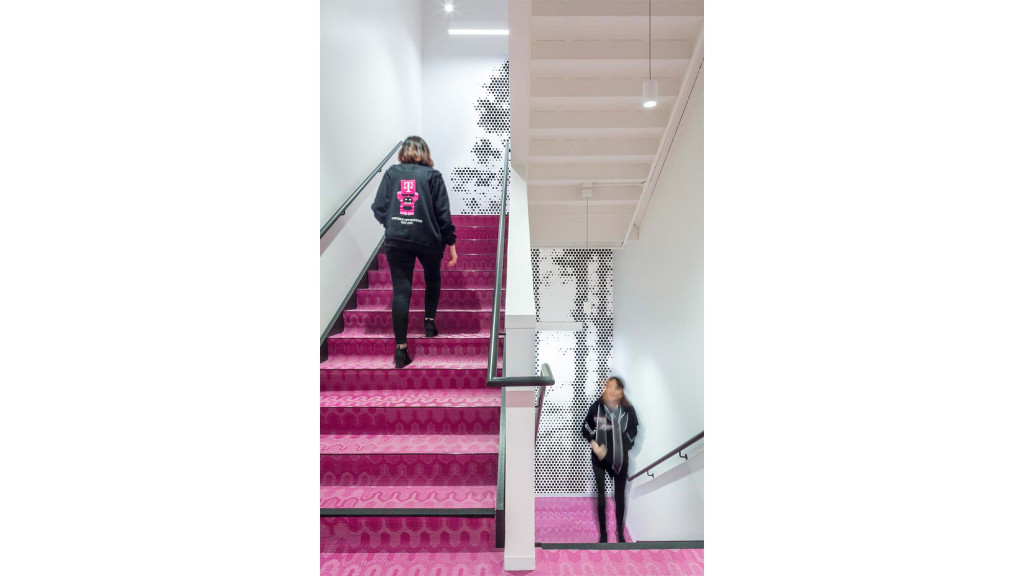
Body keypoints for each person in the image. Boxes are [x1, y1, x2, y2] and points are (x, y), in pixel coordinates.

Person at [371, 136, 458, 368]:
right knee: (432, 278)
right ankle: (429, 323)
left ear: (404, 152)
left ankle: (401, 350)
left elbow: (378, 207)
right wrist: (451, 243)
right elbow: (443, 214)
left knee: (401, 290)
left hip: (397, 239)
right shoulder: (433, 176)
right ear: (425, 152)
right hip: (427, 238)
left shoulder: (391, 174)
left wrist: (392, 223)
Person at [580, 376, 639, 543]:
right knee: (601, 496)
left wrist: (624, 447)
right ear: (605, 389)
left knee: (619, 496)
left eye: (617, 388)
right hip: (599, 459)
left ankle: (620, 533)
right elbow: (585, 428)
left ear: (621, 392)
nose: (613, 390)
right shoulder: (596, 408)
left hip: (620, 460)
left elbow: (634, 431)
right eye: (610, 386)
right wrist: (595, 445)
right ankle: (603, 534)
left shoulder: (628, 410)